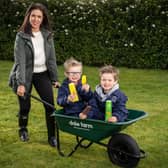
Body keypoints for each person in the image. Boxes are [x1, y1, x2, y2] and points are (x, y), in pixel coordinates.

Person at [8, 3, 60, 147]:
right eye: (33, 16)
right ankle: (23, 129)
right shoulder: (21, 36)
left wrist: (55, 78)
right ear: (28, 17)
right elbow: (21, 62)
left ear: (43, 19)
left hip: (42, 74)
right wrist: (21, 84)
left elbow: (51, 59)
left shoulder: (47, 35)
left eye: (39, 16)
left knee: (50, 106)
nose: (36, 19)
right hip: (26, 74)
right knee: (25, 107)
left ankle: (52, 136)